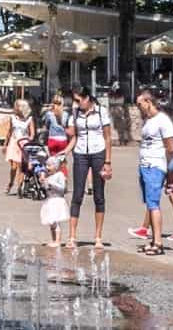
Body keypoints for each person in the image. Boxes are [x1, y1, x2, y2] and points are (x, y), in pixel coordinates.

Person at [67, 86, 113, 250]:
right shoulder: (75, 113)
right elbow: (73, 136)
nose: (76, 103)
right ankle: (72, 236)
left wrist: (108, 161)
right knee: (77, 194)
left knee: (99, 196)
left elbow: (108, 137)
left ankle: (98, 237)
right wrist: (64, 152)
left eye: (79, 100)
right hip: (80, 153)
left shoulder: (101, 112)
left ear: (87, 99)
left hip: (98, 153)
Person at [131, 89, 173, 255]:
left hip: (155, 166)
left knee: (154, 204)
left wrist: (166, 167)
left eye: (139, 104)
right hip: (145, 166)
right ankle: (152, 241)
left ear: (148, 102)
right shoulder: (148, 121)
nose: (138, 107)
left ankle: (158, 243)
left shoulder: (162, 120)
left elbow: (170, 148)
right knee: (150, 204)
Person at [5, 98, 34, 195]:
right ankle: (11, 182)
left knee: (21, 167)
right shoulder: (12, 117)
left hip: (23, 143)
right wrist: (5, 144)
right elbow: (9, 131)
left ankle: (19, 187)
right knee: (13, 166)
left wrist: (29, 139)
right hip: (13, 143)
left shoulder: (29, 119)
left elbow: (32, 133)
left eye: (17, 106)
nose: (15, 108)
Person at [40, 152, 70, 247]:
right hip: (50, 201)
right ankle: (53, 239)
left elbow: (62, 188)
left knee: (56, 222)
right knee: (51, 222)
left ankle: (58, 241)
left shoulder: (60, 175)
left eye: (49, 165)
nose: (47, 167)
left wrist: (51, 184)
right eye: (46, 165)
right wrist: (43, 182)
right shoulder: (49, 177)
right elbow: (46, 189)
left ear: (56, 166)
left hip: (57, 201)